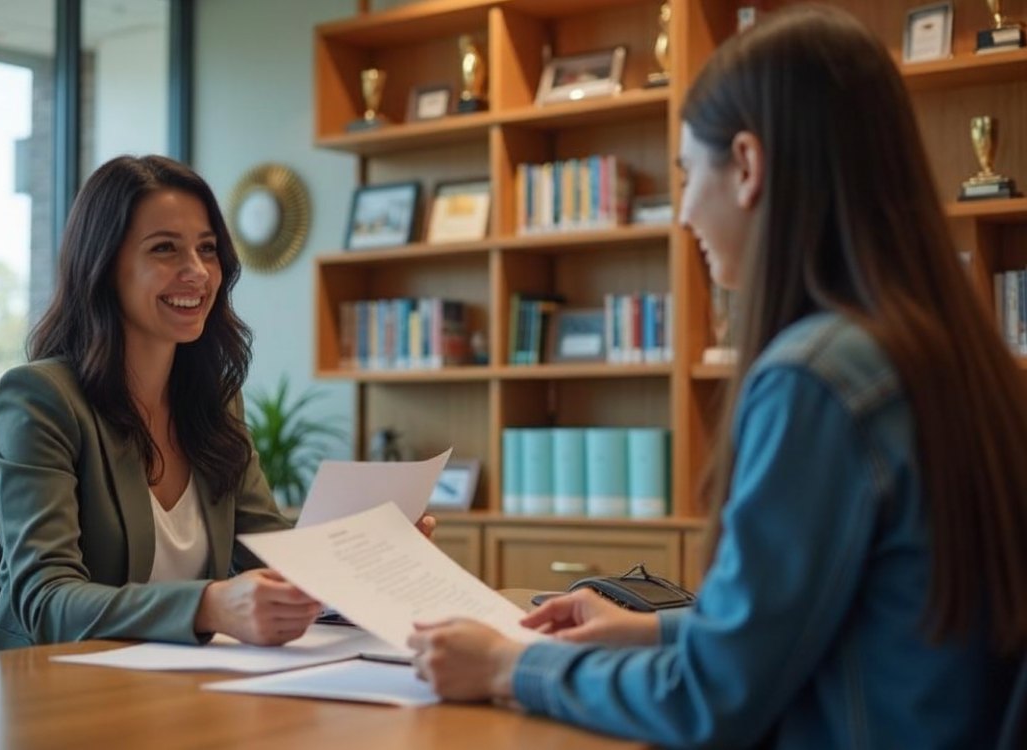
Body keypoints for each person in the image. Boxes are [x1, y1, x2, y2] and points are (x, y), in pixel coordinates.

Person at [407, 6, 1027, 747]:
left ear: (746, 165)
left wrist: (511, 667)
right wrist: (652, 631)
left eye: (684, 174)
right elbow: (840, 619)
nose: (685, 213)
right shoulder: (947, 353)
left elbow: (712, 700)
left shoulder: (817, 380)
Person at [0, 155, 431, 652]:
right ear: (104, 266)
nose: (197, 272)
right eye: (165, 249)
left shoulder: (213, 402)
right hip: (42, 692)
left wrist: (371, 562)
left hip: (164, 690)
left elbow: (269, 558)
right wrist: (209, 606)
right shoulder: (41, 399)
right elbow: (45, 601)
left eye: (207, 249)